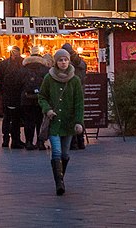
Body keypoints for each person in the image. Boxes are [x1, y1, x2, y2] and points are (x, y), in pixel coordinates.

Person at [39, 48, 85, 195]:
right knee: (57, 152)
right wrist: (47, 109)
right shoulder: (49, 78)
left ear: (69, 61)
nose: (63, 62)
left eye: (65, 59)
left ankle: (61, 178)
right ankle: (59, 183)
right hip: (54, 122)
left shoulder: (75, 80)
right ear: (56, 62)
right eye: (60, 60)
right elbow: (42, 97)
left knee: (65, 154)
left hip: (68, 122)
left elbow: (79, 103)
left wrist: (79, 122)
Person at [0, 46, 27, 148]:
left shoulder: (5, 64)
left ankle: (10, 139)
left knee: (10, 118)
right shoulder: (22, 63)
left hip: (9, 94)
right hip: (14, 95)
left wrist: (2, 91)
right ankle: (13, 140)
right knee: (13, 118)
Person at [61, 42, 89, 149]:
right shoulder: (82, 63)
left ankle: (73, 142)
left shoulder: (67, 65)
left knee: (69, 117)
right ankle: (80, 141)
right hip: (80, 92)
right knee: (79, 116)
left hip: (69, 93)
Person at [21, 48, 50, 149]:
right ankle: (40, 142)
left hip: (26, 99)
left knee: (28, 121)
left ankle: (29, 142)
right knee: (40, 121)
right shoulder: (44, 69)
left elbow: (18, 83)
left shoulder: (23, 68)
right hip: (41, 99)